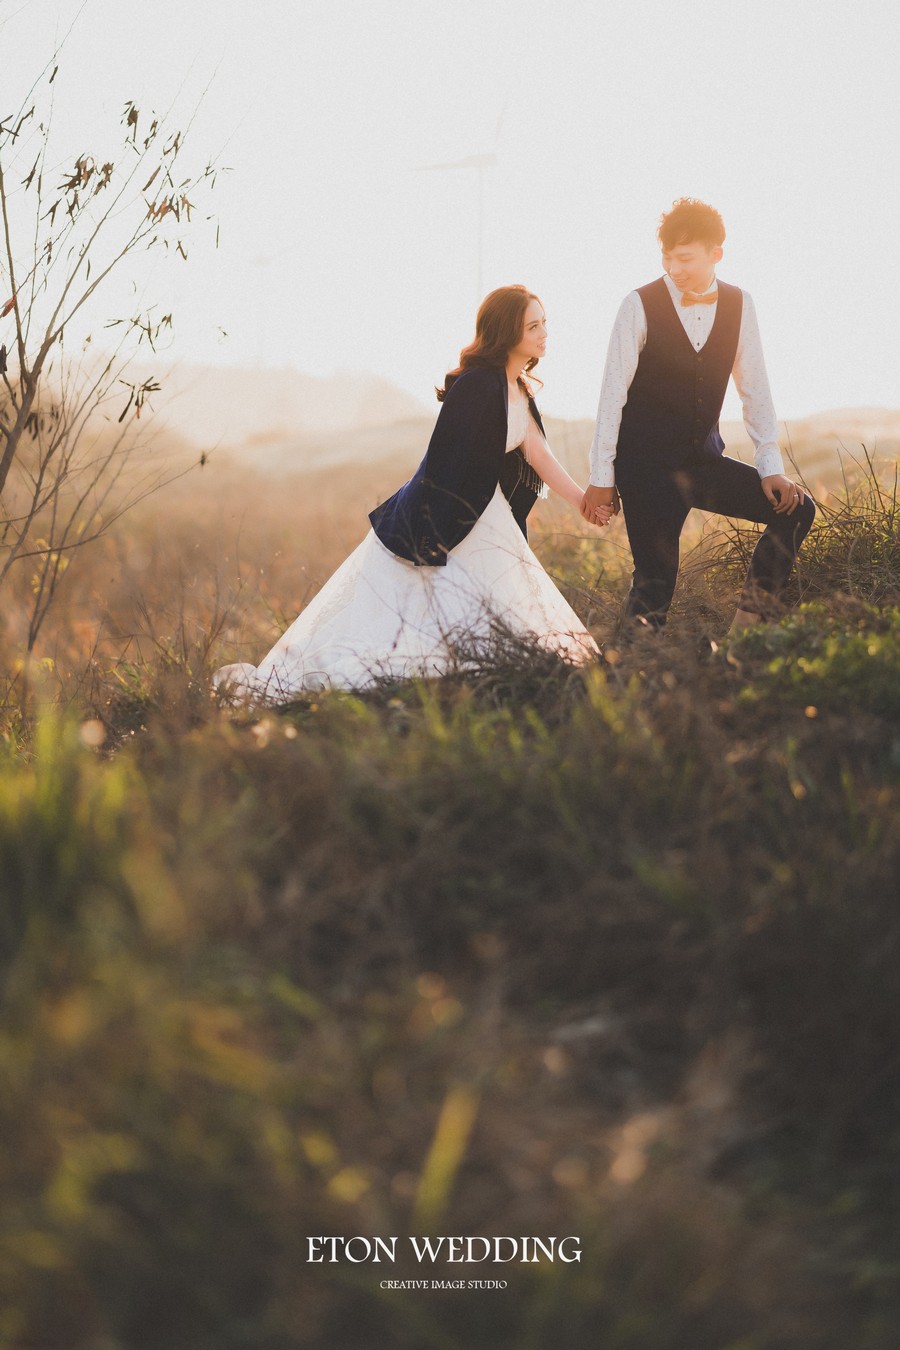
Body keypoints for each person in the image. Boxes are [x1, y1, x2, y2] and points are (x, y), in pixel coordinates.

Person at [214, 285, 609, 703]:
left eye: (544, 323)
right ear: (507, 332)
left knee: (497, 605)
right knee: (421, 611)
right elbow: (444, 462)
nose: (544, 333)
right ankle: (438, 687)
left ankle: (485, 686)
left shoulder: (518, 387)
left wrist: (583, 500)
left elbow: (538, 454)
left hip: (487, 512)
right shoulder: (477, 385)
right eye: (533, 326)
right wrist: (435, 530)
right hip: (452, 512)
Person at [580, 198, 816, 634]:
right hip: (646, 469)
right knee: (654, 588)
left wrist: (770, 468)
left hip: (703, 463)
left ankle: (744, 631)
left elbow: (755, 390)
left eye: (685, 258)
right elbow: (611, 396)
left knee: (797, 510)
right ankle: (625, 678)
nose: (675, 268)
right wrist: (601, 477)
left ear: (716, 254)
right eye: (667, 258)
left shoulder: (741, 304)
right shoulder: (638, 304)